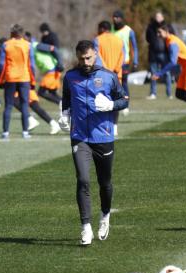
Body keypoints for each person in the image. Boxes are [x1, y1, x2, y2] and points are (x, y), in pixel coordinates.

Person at [57, 40, 128, 245]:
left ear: (95, 54)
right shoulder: (70, 77)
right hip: (79, 137)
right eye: (81, 59)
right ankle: (85, 227)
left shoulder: (108, 76)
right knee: (83, 179)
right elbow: (67, 98)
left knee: (104, 183)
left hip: (103, 137)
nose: (85, 62)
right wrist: (64, 115)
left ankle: (105, 216)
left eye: (88, 57)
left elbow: (124, 99)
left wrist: (111, 104)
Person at [0, 24, 36, 139]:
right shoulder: (28, 45)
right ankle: (25, 132)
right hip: (24, 78)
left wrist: (1, 78)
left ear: (12, 33)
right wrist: (32, 79)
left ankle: (5, 132)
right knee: (25, 105)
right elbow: (32, 64)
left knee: (8, 105)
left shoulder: (6, 44)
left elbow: (1, 64)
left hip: (10, 78)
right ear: (22, 33)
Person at [94, 21, 124, 136]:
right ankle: (115, 127)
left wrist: (106, 70)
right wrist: (116, 68)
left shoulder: (97, 39)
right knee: (114, 101)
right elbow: (123, 56)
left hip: (102, 75)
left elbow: (97, 57)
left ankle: (103, 126)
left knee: (100, 99)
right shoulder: (119, 40)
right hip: (117, 75)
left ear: (101, 29)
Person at [112, 10, 137, 116]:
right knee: (113, 85)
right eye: (113, 17)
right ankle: (115, 104)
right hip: (112, 62)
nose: (115, 19)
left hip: (124, 62)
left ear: (121, 18)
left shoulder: (129, 30)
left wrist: (135, 61)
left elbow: (134, 47)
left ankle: (126, 105)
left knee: (124, 84)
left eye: (117, 17)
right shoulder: (111, 30)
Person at [35, 22, 64, 106]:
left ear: (47, 30)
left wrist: (60, 63)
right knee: (52, 91)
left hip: (55, 65)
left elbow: (56, 49)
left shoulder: (53, 36)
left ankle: (63, 104)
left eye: (44, 31)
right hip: (50, 65)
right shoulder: (43, 37)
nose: (43, 33)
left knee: (42, 92)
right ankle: (67, 105)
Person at [145, 12, 172, 100]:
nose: (158, 18)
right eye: (156, 16)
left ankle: (169, 94)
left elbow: (172, 36)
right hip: (153, 54)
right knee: (153, 73)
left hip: (165, 53)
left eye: (160, 16)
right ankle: (153, 93)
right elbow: (147, 38)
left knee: (167, 73)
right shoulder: (150, 27)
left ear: (163, 17)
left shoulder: (168, 26)